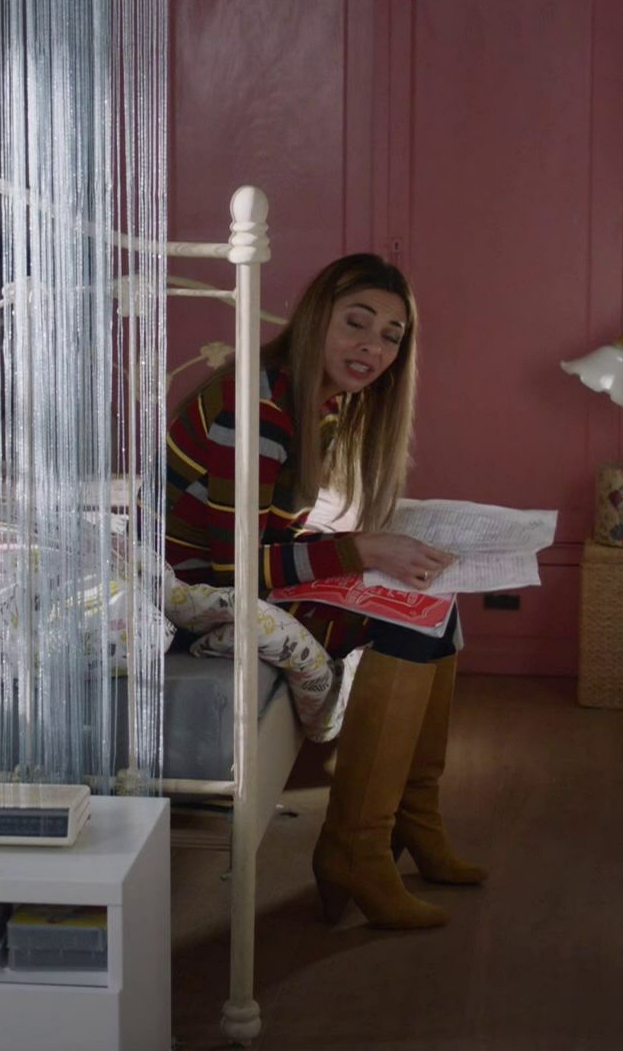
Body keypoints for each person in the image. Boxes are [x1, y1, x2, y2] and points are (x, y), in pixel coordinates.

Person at [164, 252, 481, 930]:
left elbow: (271, 529)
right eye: (356, 323)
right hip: (196, 592)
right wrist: (362, 550)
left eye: (391, 336)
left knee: (436, 603)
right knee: (404, 624)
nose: (372, 348)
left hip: (238, 571)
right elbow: (232, 568)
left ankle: (414, 819)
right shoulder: (256, 408)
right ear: (316, 319)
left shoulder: (317, 400)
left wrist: (360, 548)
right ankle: (354, 849)